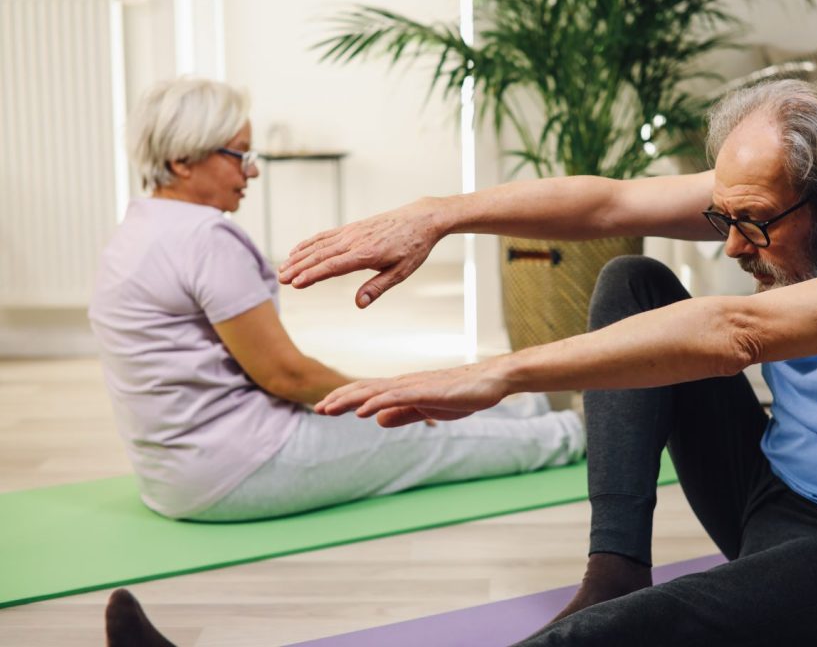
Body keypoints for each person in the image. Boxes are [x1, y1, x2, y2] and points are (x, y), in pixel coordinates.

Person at [273, 79, 817, 646]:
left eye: (752, 225)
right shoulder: (783, 202)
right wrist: (440, 213)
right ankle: (615, 569)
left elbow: (737, 330)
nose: (732, 245)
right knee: (632, 282)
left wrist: (502, 373)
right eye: (725, 220)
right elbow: (608, 207)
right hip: (769, 492)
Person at [87, 77, 586, 529]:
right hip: (236, 469)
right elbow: (287, 376)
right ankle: (580, 434)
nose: (252, 170)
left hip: (172, 476)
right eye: (238, 155)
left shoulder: (137, 229)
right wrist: (387, 396)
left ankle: (535, 408)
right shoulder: (205, 239)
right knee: (415, 434)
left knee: (415, 407)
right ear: (181, 160)